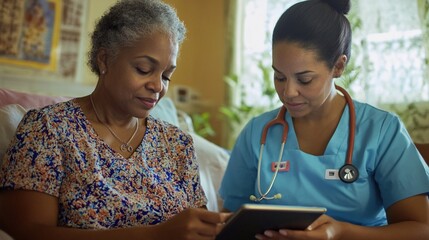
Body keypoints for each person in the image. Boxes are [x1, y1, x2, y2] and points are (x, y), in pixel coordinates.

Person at [0, 0, 229, 239]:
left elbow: (200, 229)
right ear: (104, 60)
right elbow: (29, 233)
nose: (157, 86)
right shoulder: (48, 129)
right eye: (143, 69)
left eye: (167, 75)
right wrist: (155, 235)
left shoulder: (177, 143)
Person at [219, 0, 429, 239]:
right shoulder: (258, 132)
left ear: (338, 66)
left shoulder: (382, 131)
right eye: (279, 77)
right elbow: (230, 218)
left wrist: (340, 233)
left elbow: (421, 230)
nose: (288, 92)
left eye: (304, 79)